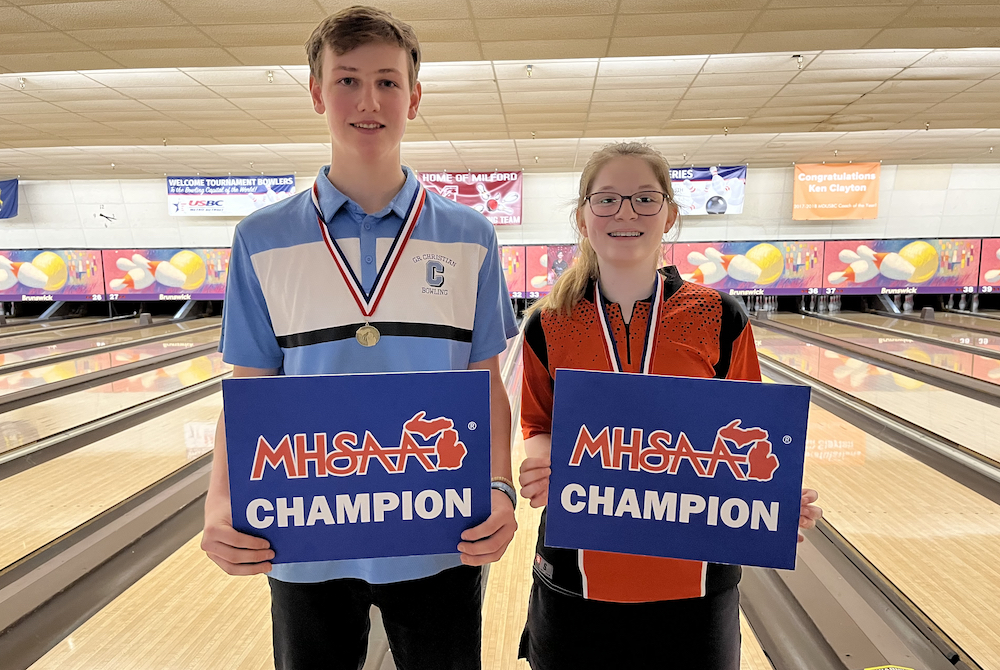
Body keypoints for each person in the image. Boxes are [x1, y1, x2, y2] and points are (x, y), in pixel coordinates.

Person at [201, 6, 519, 669]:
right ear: (316, 92)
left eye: (387, 82)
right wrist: (220, 502)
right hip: (304, 536)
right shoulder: (261, 238)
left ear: (414, 96)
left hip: (441, 528)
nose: (367, 100)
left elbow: (483, 380)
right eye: (346, 80)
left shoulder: (469, 235)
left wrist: (500, 487)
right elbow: (250, 390)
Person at [516, 142, 823, 670]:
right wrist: (540, 460)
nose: (625, 213)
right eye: (606, 200)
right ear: (582, 217)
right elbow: (539, 424)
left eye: (644, 199)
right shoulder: (548, 323)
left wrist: (774, 497)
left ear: (671, 215)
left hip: (696, 582)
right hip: (577, 573)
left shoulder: (720, 316)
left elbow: (750, 433)